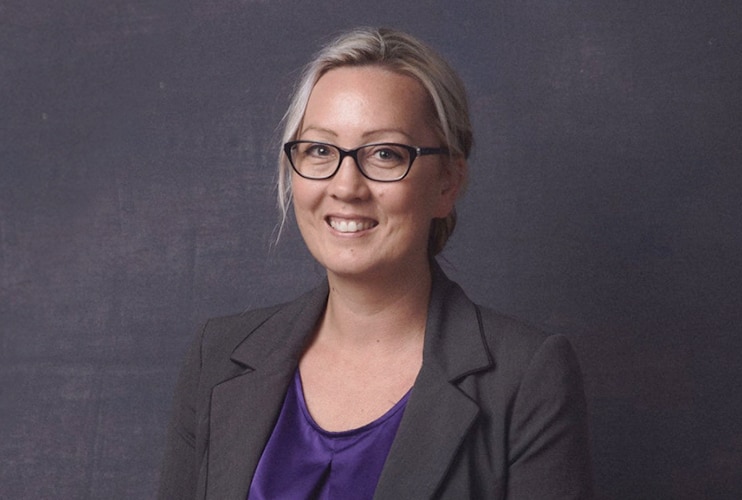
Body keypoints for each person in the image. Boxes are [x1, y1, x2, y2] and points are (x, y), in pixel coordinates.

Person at [158, 27, 593, 499]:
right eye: (320, 150)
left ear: (447, 182)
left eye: (385, 154)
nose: (346, 186)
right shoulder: (217, 358)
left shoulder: (525, 377)